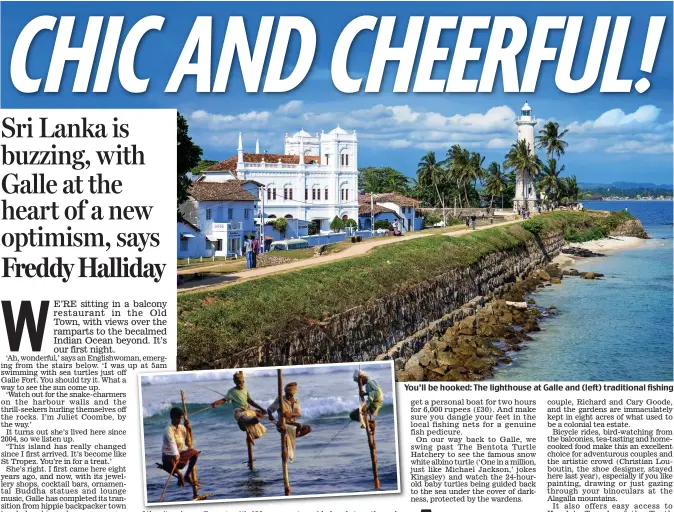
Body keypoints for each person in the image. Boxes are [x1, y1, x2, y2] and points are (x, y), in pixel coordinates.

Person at [211, 371, 267, 443]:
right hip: (239, 412)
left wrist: (261, 408)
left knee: (260, 414)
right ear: (235, 382)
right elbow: (224, 400)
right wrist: (216, 403)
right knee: (256, 419)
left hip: (248, 411)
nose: (241, 385)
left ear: (243, 381)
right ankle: (242, 423)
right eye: (239, 383)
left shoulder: (245, 389)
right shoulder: (231, 391)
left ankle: (246, 425)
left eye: (242, 382)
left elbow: (250, 401)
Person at [268, 382, 312, 461]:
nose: (288, 396)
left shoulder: (295, 401)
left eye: (290, 395)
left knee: (308, 428)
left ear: (293, 395)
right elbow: (269, 409)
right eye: (287, 394)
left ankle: (291, 437)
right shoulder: (280, 400)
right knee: (298, 426)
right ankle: (288, 439)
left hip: (292, 423)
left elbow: (298, 414)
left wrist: (290, 414)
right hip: (283, 423)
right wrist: (271, 417)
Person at [161, 407, 200, 488]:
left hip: (179, 456)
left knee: (194, 453)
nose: (179, 420)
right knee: (170, 459)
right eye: (177, 418)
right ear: (172, 417)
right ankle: (179, 474)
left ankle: (187, 475)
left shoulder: (182, 428)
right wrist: (176, 454)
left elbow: (188, 444)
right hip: (169, 458)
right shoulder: (168, 429)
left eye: (180, 418)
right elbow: (172, 443)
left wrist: (189, 430)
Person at [350, 370, 384, 435]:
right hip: (374, 403)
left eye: (358, 381)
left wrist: (365, 394)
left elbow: (378, 392)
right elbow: (372, 395)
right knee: (357, 413)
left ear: (362, 377)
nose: (359, 383)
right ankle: (370, 423)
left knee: (353, 415)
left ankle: (370, 424)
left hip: (375, 404)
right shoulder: (368, 384)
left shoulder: (370, 383)